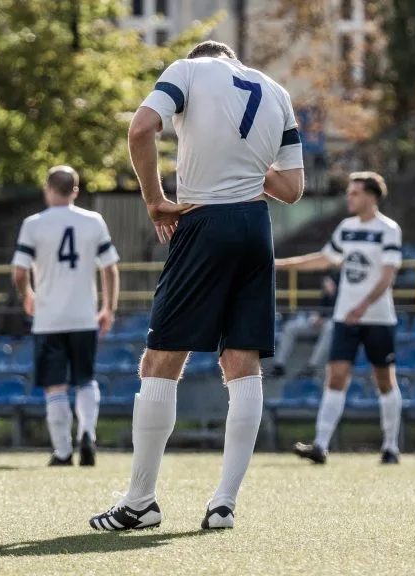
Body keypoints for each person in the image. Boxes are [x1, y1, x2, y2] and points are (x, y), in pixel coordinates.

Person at [89, 40, 304, 532]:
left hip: (204, 220)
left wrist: (154, 199)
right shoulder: (276, 90)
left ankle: (140, 502)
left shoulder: (188, 69)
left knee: (161, 359)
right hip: (257, 227)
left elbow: (142, 127)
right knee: (242, 365)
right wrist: (246, 164)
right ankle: (224, 503)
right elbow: (292, 189)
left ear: (203, 55)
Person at [276, 172, 403, 465]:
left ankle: (391, 447)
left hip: (379, 318)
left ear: (371, 197)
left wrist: (363, 305)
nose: (349, 197)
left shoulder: (388, 229)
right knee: (335, 377)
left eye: (355, 193)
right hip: (346, 318)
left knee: (384, 380)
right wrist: (280, 264)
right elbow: (325, 258)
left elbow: (387, 275)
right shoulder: (346, 227)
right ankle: (320, 446)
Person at [12, 166, 120, 467]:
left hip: (49, 318)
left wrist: (27, 295)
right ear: (75, 191)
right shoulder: (93, 221)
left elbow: (19, 271)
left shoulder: (33, 225)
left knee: (54, 385)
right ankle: (87, 432)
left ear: (48, 188)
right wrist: (108, 308)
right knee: (85, 380)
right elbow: (110, 268)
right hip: (84, 315)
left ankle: (62, 451)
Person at [268, 274, 338, 378]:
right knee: (290, 327)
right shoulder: (330, 280)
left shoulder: (348, 284)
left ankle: (311, 367)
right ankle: (278, 366)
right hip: (321, 321)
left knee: (329, 327)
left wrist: (334, 293)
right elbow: (322, 306)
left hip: (337, 324)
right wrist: (317, 315)